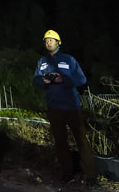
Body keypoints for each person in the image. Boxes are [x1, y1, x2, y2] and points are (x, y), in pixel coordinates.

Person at [33, 29, 99, 189]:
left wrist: (64, 78)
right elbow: (36, 78)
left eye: (51, 40)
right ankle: (67, 174)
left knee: (81, 141)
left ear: (58, 42)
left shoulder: (68, 59)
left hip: (71, 107)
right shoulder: (42, 61)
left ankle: (91, 178)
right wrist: (43, 81)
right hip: (53, 107)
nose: (48, 42)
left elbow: (81, 79)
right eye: (46, 40)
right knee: (60, 143)